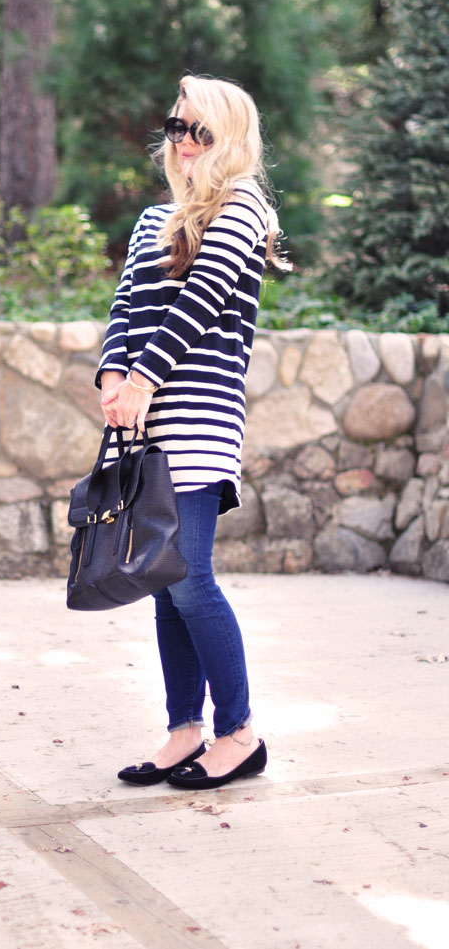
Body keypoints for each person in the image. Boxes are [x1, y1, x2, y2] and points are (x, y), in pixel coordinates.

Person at [96, 74, 285, 791]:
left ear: (229, 140)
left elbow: (200, 303)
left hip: (199, 420)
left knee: (193, 578)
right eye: (176, 126)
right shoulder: (152, 220)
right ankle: (184, 730)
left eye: (198, 130)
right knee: (161, 581)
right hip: (144, 423)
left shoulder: (243, 208)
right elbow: (126, 306)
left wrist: (143, 378)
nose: (181, 141)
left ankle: (239, 733)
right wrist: (114, 376)